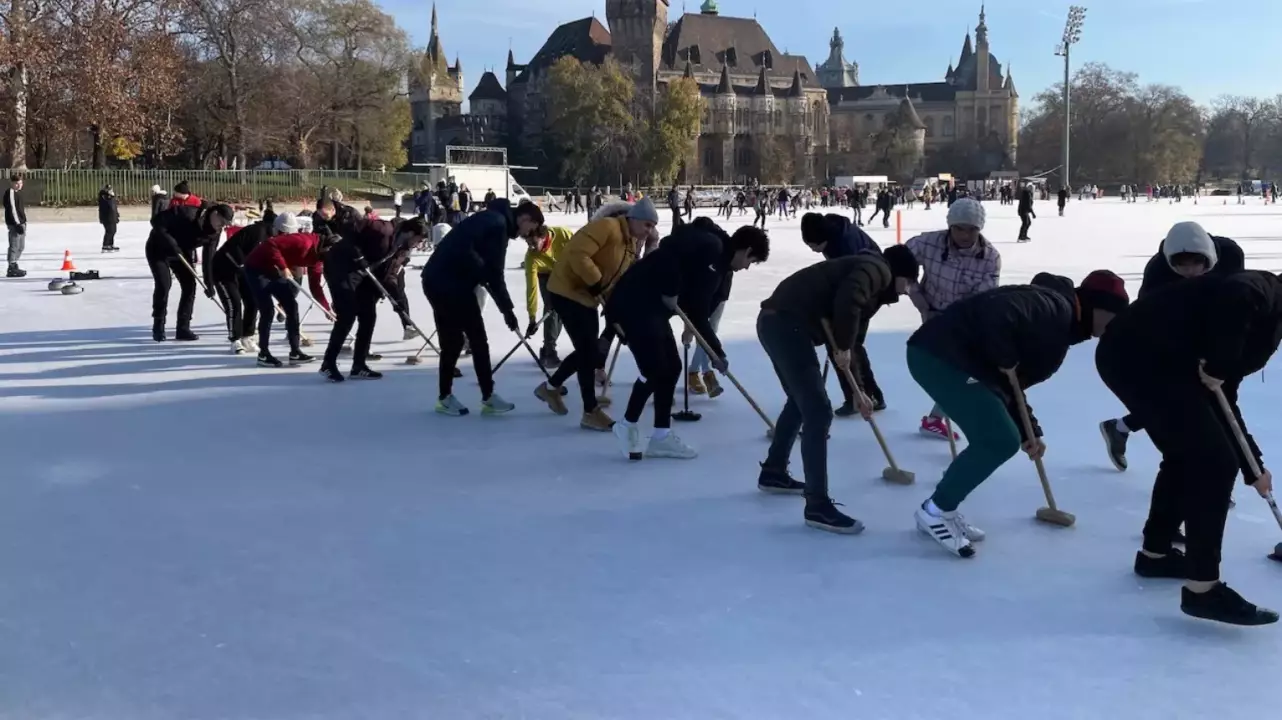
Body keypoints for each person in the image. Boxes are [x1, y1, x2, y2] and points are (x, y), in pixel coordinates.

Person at [1095, 270, 1281, 626]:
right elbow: (1238, 295)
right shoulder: (1265, 289)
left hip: (1136, 357)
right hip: (1143, 360)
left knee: (1187, 455)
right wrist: (1219, 363)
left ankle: (1156, 554)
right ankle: (1202, 589)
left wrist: (1253, 466)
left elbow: (1223, 396)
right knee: (1213, 462)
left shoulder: (1265, 316)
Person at [907, 270, 1127, 557]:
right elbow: (994, 313)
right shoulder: (1053, 307)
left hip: (943, 356)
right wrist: (1005, 354)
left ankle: (940, 509)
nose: (1114, 326)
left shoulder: (1057, 318)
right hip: (942, 358)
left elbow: (1012, 385)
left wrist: (1029, 431)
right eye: (1114, 316)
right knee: (997, 441)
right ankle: (936, 511)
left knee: (1002, 437)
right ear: (1098, 307)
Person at [757, 246, 919, 532]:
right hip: (786, 323)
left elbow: (852, 342)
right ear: (900, 274)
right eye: (909, 282)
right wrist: (842, 344)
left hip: (779, 323)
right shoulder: (875, 269)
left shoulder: (875, 289)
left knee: (800, 402)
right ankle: (817, 506)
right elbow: (849, 298)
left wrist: (859, 391)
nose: (908, 291)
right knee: (817, 412)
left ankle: (774, 471)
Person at [605, 219, 770, 460]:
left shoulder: (720, 264)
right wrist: (672, 290)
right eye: (751, 261)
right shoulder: (711, 246)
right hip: (634, 300)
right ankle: (627, 424)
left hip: (653, 307)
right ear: (746, 251)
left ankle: (661, 437)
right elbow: (669, 248)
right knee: (655, 368)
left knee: (672, 367)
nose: (747, 267)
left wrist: (717, 353)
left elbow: (699, 313)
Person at [1100, 221, 1246, 470]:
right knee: (1180, 402)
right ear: (1171, 261)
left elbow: (1235, 300)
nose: (1189, 271)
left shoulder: (1231, 256)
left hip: (1216, 332)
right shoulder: (1158, 273)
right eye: (1181, 265)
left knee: (1217, 399)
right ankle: (1210, 477)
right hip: (1171, 338)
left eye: (1196, 263)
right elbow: (1152, 321)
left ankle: (1121, 427)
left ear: (1209, 258)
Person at [534, 199, 658, 430]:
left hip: (586, 296)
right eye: (647, 225)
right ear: (634, 219)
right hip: (566, 291)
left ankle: (552, 388)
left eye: (652, 227)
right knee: (588, 352)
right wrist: (596, 283)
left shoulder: (629, 244)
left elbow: (615, 281)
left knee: (587, 352)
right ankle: (589, 410)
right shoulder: (607, 227)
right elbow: (578, 254)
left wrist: (617, 310)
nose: (649, 231)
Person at [422, 199, 543, 414]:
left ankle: (446, 397)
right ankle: (486, 397)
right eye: (531, 228)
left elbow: (485, 266)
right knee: (476, 340)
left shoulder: (491, 218)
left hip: (436, 279)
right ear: (524, 218)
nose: (528, 234)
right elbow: (493, 273)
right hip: (450, 283)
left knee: (454, 341)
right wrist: (507, 310)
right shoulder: (498, 225)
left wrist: (503, 305)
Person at [904, 197, 1001, 441]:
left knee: (961, 371)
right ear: (950, 226)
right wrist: (917, 296)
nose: (965, 235)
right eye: (959, 228)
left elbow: (982, 300)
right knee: (938, 369)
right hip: (932, 312)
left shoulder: (990, 258)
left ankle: (936, 418)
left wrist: (956, 322)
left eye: (971, 229)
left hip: (964, 320)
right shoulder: (928, 242)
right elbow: (899, 263)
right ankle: (936, 418)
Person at [801, 211, 884, 413]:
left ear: (823, 239)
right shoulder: (833, 231)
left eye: (814, 245)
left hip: (868, 292)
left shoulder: (844, 246)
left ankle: (858, 397)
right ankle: (870, 395)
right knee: (848, 344)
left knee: (843, 345)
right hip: (866, 287)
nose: (813, 250)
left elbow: (849, 289)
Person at [242, 213, 330, 368]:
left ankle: (295, 352)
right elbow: (271, 244)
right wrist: (283, 267)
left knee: (292, 307)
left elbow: (315, 285)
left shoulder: (318, 259)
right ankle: (263, 354)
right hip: (256, 269)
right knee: (267, 310)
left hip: (274, 271)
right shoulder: (303, 241)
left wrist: (326, 308)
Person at [147, 203, 232, 341]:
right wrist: (171, 243)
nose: (222, 227)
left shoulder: (214, 233)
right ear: (214, 214)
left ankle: (183, 327)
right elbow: (156, 221)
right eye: (221, 222)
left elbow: (208, 258)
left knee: (189, 285)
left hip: (181, 253)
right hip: (158, 248)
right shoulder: (187, 213)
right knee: (164, 284)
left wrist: (209, 283)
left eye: (225, 225)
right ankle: (158, 325)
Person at [212, 213, 273, 354]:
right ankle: (235, 340)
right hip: (223, 270)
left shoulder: (271, 238)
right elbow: (236, 250)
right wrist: (244, 265)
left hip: (243, 271)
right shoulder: (258, 233)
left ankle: (248, 336)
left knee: (253, 301)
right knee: (234, 303)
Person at [523, 225, 573, 368]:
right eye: (528, 244)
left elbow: (580, 252)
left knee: (563, 309)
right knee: (551, 306)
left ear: (543, 237)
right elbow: (531, 288)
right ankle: (550, 350)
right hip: (546, 275)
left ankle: (547, 348)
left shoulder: (562, 234)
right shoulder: (531, 258)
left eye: (533, 243)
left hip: (567, 272)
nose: (531, 248)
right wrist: (532, 318)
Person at [4, 174, 26, 277]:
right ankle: (11, 267)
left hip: (21, 223)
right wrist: (17, 224)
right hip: (15, 224)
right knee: (14, 245)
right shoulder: (10, 193)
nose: (19, 185)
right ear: (12, 183)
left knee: (21, 246)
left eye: (20, 183)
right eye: (16, 183)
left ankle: (14, 263)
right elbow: (12, 210)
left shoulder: (17, 193)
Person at [98, 184, 120, 253]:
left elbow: (114, 208)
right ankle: (105, 245)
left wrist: (116, 215)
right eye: (108, 189)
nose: (110, 190)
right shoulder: (104, 197)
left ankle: (110, 244)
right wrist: (109, 195)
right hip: (107, 217)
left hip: (112, 216)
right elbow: (107, 206)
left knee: (113, 231)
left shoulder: (111, 197)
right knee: (109, 231)